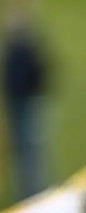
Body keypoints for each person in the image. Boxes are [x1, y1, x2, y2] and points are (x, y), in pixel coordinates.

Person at [1, 2, 50, 201]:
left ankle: (35, 192)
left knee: (30, 150)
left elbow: (37, 77)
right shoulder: (16, 49)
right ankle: (29, 192)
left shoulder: (24, 50)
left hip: (26, 106)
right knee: (23, 152)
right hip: (17, 105)